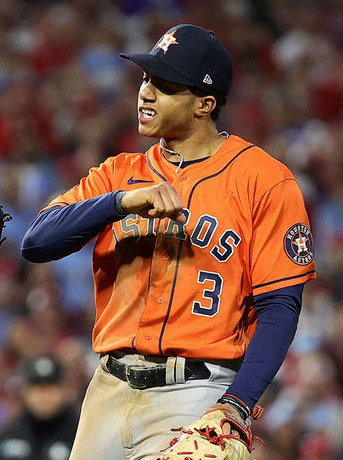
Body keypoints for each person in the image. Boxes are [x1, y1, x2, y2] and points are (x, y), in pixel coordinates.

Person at [21, 24, 316, 459]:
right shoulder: (119, 173)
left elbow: (280, 307)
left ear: (204, 104)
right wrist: (119, 203)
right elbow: (37, 242)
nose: (145, 93)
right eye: (145, 79)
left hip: (196, 393)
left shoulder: (265, 181)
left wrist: (237, 404)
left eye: (164, 85)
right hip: (108, 387)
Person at [0, 356, 79, 460]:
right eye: (38, 388)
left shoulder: (79, 433)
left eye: (50, 387)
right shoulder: (10, 434)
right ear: (25, 392)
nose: (44, 396)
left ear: (63, 390)